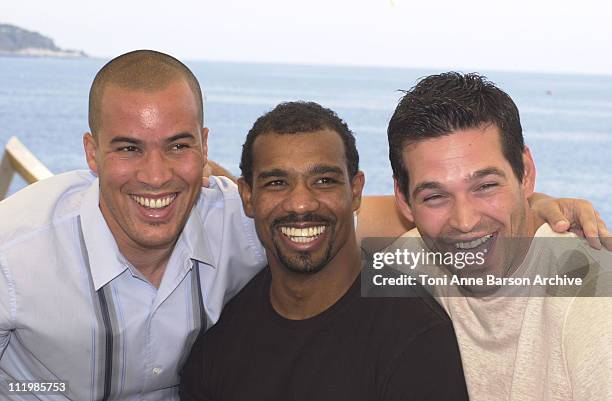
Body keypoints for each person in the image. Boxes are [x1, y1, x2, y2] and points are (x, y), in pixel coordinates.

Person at [0, 49, 606, 400]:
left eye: (487, 183)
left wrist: (540, 210)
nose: (156, 178)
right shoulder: (413, 259)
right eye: (129, 149)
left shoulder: (584, 289)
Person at [179, 101, 470, 400]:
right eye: (277, 183)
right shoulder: (220, 344)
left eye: (324, 181)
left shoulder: (414, 337)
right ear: (248, 197)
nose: (301, 203)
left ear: (355, 191)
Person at [386, 72, 612, 400]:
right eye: (435, 196)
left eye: (486, 186)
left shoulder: (593, 299)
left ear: (526, 174)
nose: (464, 221)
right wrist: (539, 202)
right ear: (405, 200)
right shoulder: (404, 266)